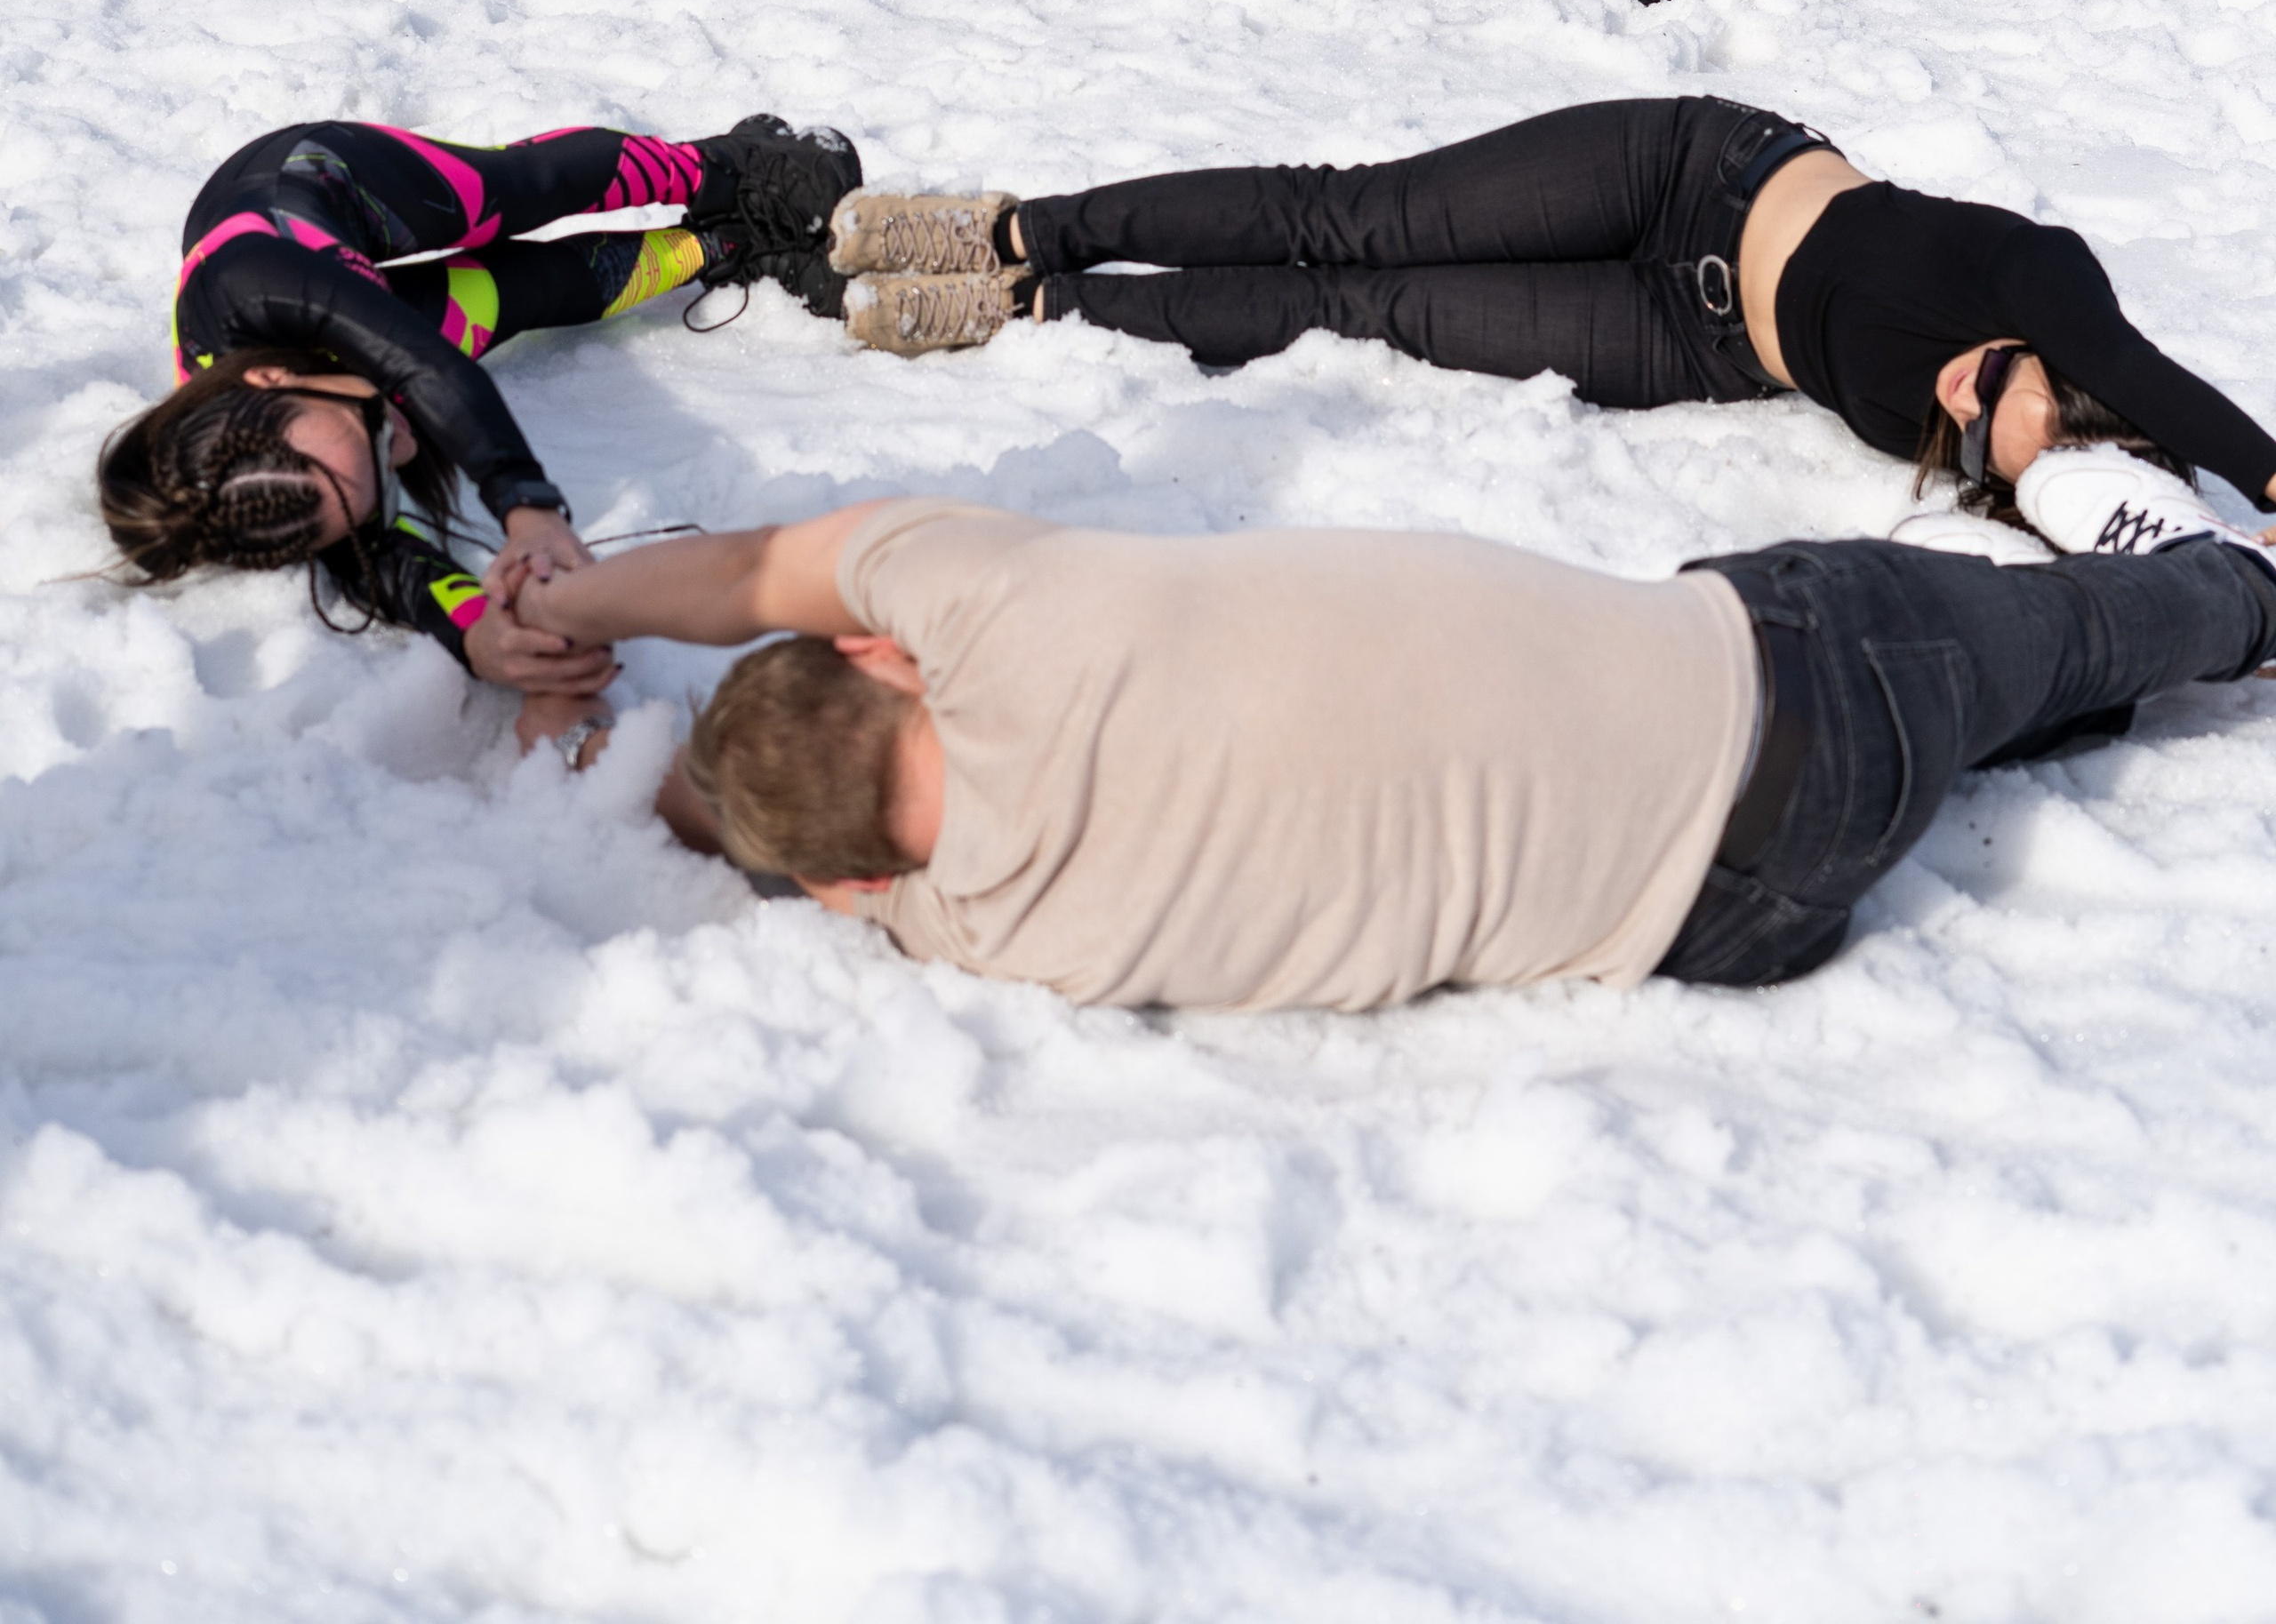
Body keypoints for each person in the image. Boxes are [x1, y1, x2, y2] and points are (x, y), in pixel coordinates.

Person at [502, 452, 2276, 1006]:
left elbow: (754, 835)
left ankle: (2039, 685)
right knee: (1983, 628)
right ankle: (2216, 592)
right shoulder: (981, 608)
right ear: (882, 661)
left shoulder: (979, 931)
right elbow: (749, 570)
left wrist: (645, 784)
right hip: (1802, 673)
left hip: (1724, 923)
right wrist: (573, 608)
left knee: (1932, 712)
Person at [811, 108, 2276, 548]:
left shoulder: (2014, 465)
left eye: (1973, 437)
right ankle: (1019, 225)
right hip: (1698, 176)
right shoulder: (2057, 285)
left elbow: (2118, 556)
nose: (1956, 396)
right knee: (1358, 212)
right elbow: (2156, 388)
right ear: (2056, 356)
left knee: (1361, 309)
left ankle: (1041, 301)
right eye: (1999, 382)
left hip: (1686, 343)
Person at [95, 110, 863, 756]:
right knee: (522, 293)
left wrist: (527, 510)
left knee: (520, 191)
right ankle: (730, 246)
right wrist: (478, 635)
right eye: (381, 475)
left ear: (270, 382)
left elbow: (426, 369)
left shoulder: (252, 278)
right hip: (333, 336)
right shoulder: (277, 487)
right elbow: (380, 567)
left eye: (371, 426)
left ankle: (733, 168)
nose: (400, 444)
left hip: (316, 187)